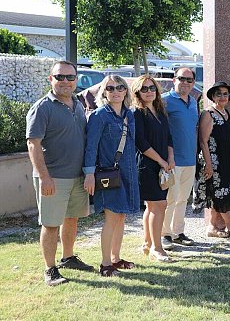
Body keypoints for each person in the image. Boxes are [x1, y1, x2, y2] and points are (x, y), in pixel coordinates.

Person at [26, 60, 93, 286]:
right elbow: (33, 144)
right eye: (60, 77)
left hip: (77, 176)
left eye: (69, 77)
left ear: (76, 80)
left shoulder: (78, 105)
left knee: (71, 219)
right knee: (51, 224)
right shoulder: (42, 107)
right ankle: (50, 269)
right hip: (53, 178)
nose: (65, 81)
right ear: (51, 79)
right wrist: (44, 177)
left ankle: (68, 257)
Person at [84, 75, 140, 277]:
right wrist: (89, 174)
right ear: (104, 92)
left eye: (119, 87)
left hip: (128, 173)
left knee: (121, 215)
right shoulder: (99, 115)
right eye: (110, 88)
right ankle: (105, 263)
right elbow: (90, 148)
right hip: (108, 175)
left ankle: (116, 258)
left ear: (126, 91)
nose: (115, 91)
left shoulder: (129, 115)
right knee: (111, 217)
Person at [131, 75, 174, 262]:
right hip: (147, 165)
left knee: (152, 206)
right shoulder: (136, 113)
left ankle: (148, 243)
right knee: (159, 205)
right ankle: (158, 248)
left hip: (163, 163)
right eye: (144, 89)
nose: (149, 92)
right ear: (137, 92)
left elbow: (169, 137)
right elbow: (141, 142)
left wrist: (170, 158)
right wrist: (162, 162)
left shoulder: (160, 111)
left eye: (152, 88)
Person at [194, 82, 230, 238]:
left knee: (221, 193)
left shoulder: (225, 112)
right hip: (215, 162)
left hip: (228, 161)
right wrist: (209, 164)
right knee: (220, 192)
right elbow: (203, 141)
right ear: (213, 97)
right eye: (219, 94)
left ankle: (212, 226)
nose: (222, 97)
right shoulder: (208, 114)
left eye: (225, 94)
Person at [161, 67, 199, 250]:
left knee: (183, 199)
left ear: (193, 83)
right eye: (182, 79)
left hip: (190, 159)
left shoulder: (193, 102)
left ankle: (178, 232)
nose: (185, 83)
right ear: (174, 79)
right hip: (172, 160)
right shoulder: (164, 101)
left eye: (189, 80)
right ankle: (164, 234)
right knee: (170, 199)